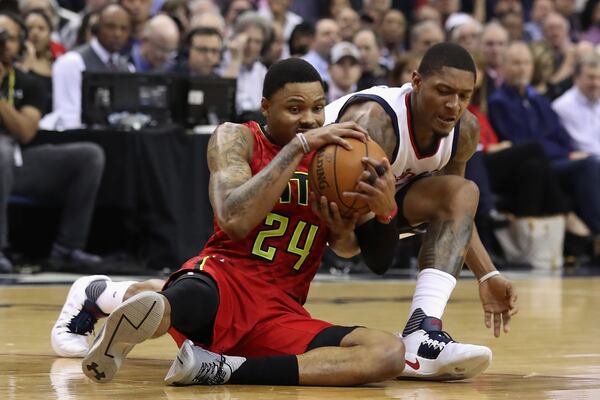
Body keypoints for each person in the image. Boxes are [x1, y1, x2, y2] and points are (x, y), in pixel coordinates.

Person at [53, 58, 406, 386]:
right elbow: (234, 219)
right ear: (266, 107)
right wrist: (296, 148)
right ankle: (118, 310)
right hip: (224, 280)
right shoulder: (238, 138)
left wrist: (356, 222)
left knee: (388, 353)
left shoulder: (334, 157)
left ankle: (217, 368)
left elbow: (345, 251)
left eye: (317, 108)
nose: (310, 120)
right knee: (168, 305)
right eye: (295, 109)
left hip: (281, 308)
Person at [324, 42, 518, 379]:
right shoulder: (375, 125)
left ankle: (422, 330)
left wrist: (487, 275)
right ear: (415, 82)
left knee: (462, 191)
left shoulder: (465, 130)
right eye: (443, 91)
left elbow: (456, 212)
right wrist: (367, 225)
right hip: (312, 201)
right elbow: (349, 246)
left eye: (463, 95)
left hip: (380, 203)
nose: (453, 105)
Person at [0, 11, 104, 273]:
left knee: (89, 155)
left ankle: (67, 249)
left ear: (21, 44)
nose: (2, 43)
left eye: (7, 37)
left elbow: (25, 132)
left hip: (17, 160)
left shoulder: (29, 83)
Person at [488, 41, 600, 235]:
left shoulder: (538, 99)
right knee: (586, 164)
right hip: (533, 161)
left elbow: (560, 135)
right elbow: (520, 142)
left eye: (526, 63)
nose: (522, 68)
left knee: (584, 162)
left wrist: (569, 152)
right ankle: (593, 229)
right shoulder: (499, 102)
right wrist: (567, 153)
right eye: (516, 63)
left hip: (555, 159)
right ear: (504, 67)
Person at [40, 3, 133, 130]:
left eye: (124, 29)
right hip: (83, 139)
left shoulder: (126, 67)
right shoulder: (72, 62)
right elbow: (68, 118)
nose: (117, 34)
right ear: (96, 29)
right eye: (111, 27)